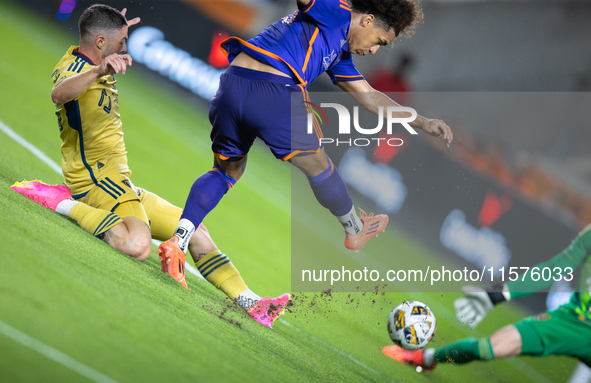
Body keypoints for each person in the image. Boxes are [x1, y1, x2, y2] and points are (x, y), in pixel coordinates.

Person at [10, 4, 288, 328]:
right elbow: (59, 94)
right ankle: (62, 201)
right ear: (100, 42)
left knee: (194, 232)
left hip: (118, 181)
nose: (125, 48)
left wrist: (115, 36)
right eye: (121, 41)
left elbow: (96, 56)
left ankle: (253, 303)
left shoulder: (95, 57)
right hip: (94, 179)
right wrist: (99, 70)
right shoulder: (73, 67)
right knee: (137, 245)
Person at [158, 0, 453, 277]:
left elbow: (372, 98)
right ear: (368, 20)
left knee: (226, 171)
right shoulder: (335, 10)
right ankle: (354, 228)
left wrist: (422, 122)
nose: (375, 51)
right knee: (320, 165)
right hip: (273, 89)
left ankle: (178, 241)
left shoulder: (339, 54)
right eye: (379, 41)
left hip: (233, 85)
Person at [382, 223, 591, 370]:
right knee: (491, 347)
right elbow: (556, 267)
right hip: (573, 320)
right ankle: (426, 358)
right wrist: (498, 294)